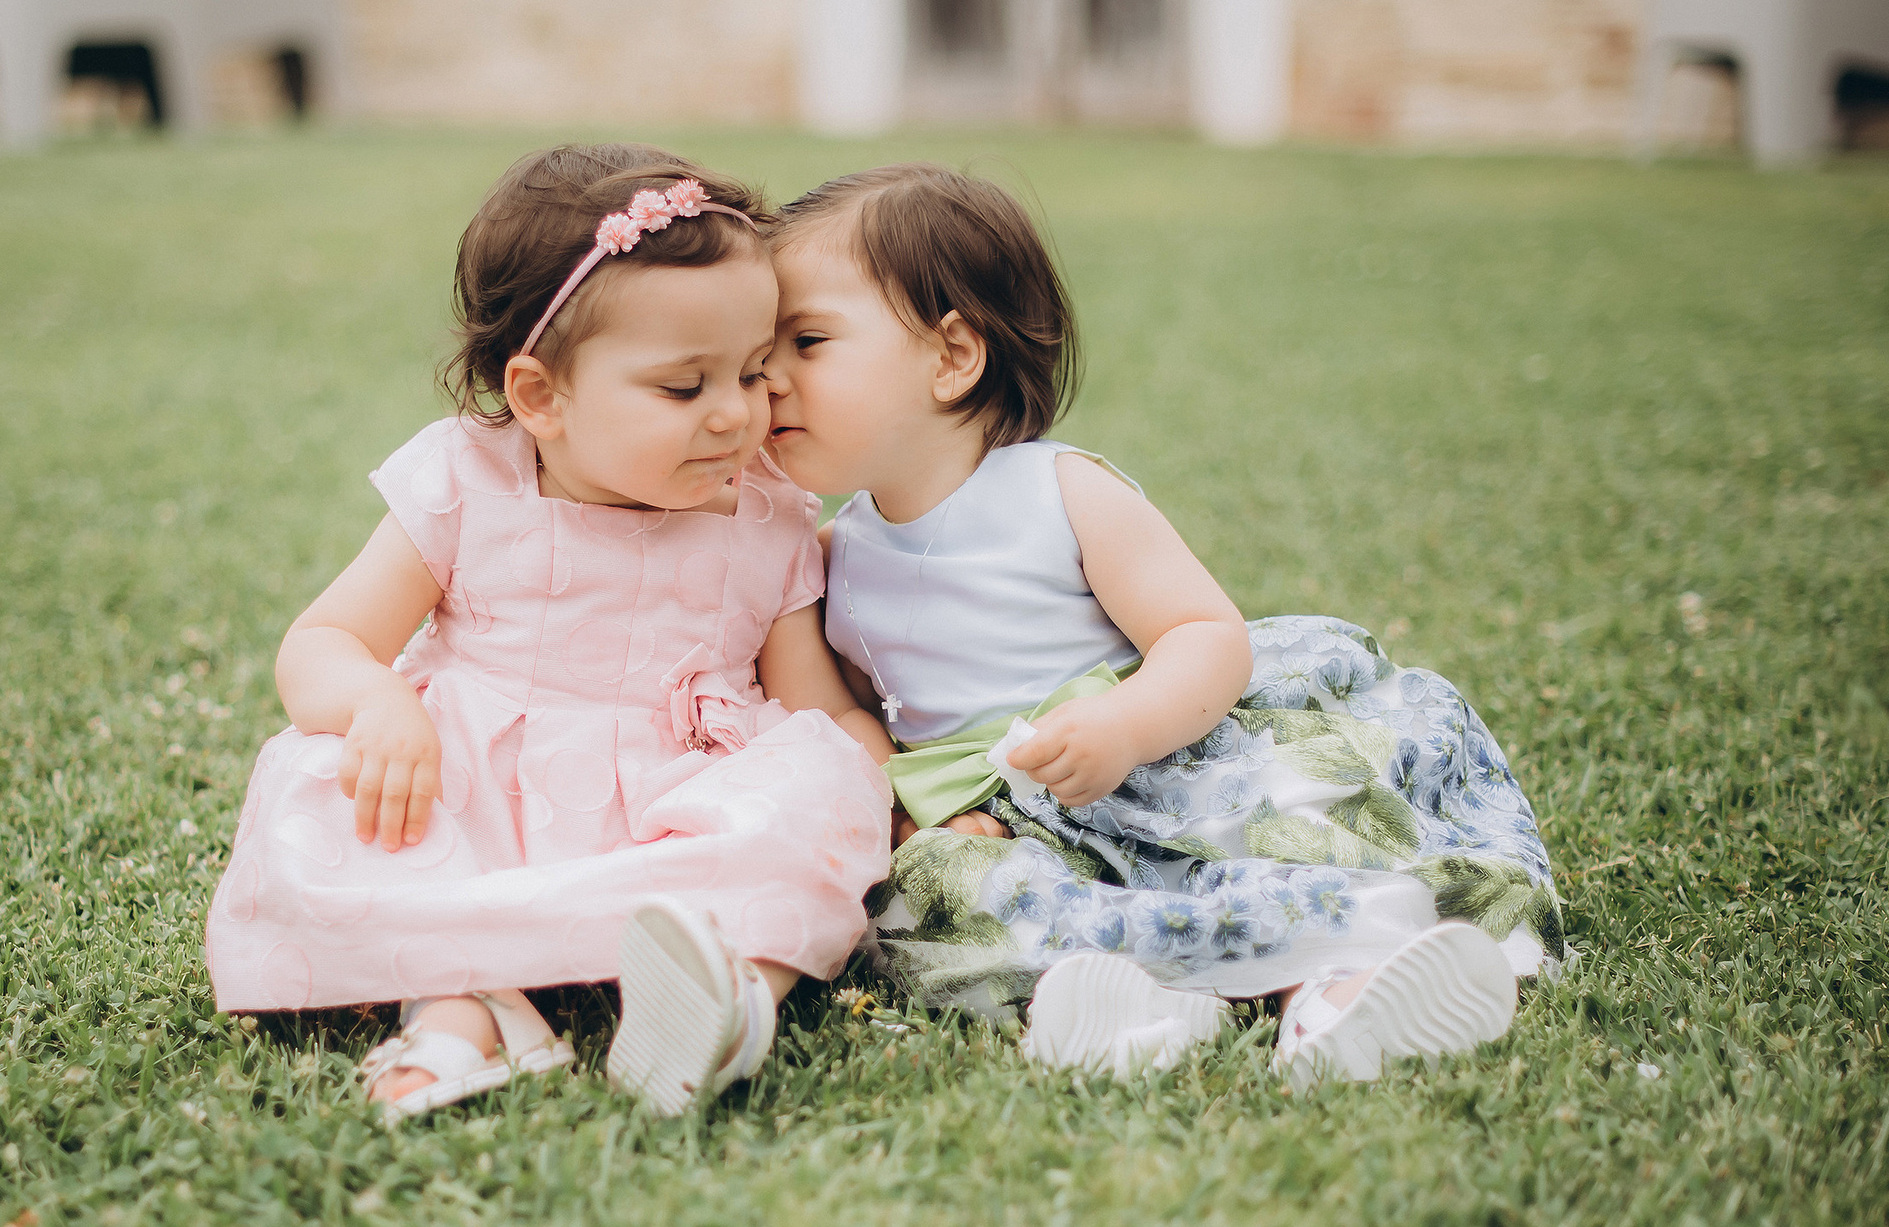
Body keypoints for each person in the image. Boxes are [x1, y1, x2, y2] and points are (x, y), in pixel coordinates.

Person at [761, 164, 1563, 1090]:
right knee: (931, 905)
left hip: (1148, 779)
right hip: (1004, 825)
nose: (769, 378)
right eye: (761, 354)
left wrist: (1123, 728)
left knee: (1272, 840)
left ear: (952, 357)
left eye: (808, 341)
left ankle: (1343, 986)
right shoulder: (835, 554)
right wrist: (914, 812)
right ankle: (1128, 997)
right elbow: (851, 727)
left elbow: (1205, 634)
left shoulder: (1059, 495)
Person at [204, 144, 891, 1120]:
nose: (737, 415)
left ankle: (734, 996)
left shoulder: (768, 517)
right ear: (540, 396)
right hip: (481, 783)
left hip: (679, 796)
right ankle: (463, 1013)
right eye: (684, 388)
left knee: (821, 782)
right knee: (327, 791)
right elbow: (319, 646)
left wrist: (879, 793)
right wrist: (377, 701)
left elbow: (812, 705)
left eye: (752, 370)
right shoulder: (462, 486)